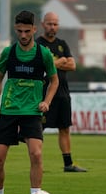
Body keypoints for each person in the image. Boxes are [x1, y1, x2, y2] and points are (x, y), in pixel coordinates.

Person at [0, 10, 59, 194]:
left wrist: (46, 102)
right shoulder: (8, 53)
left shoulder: (43, 54)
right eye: (19, 31)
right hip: (8, 110)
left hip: (32, 112)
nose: (23, 35)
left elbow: (54, 81)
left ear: (34, 29)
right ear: (16, 30)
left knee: (36, 154)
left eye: (27, 31)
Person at [36, 12, 87, 172]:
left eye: (55, 24)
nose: (52, 27)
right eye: (49, 23)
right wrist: (59, 62)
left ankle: (68, 164)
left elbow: (72, 65)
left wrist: (53, 64)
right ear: (43, 24)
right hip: (44, 93)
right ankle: (37, 163)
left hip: (63, 93)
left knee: (65, 128)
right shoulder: (37, 44)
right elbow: (40, 67)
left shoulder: (62, 44)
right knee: (38, 129)